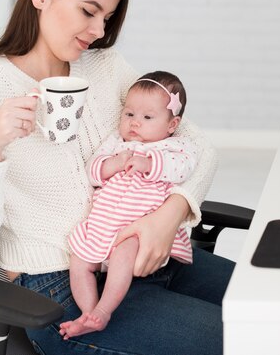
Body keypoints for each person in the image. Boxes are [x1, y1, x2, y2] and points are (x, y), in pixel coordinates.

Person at [0, 0, 233, 354]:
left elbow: (199, 145)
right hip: (58, 286)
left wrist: (169, 216)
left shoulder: (104, 67)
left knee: (278, 306)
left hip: (146, 254)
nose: (99, 32)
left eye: (107, 18)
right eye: (88, 11)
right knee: (240, 338)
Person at [64, 71, 196, 339]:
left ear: (172, 124)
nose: (135, 123)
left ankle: (104, 308)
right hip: (102, 225)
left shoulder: (173, 146)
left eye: (147, 117)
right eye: (129, 114)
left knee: (124, 252)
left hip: (136, 230)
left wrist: (149, 164)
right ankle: (89, 313)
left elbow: (183, 168)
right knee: (79, 259)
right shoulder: (116, 143)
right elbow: (93, 170)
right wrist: (113, 163)